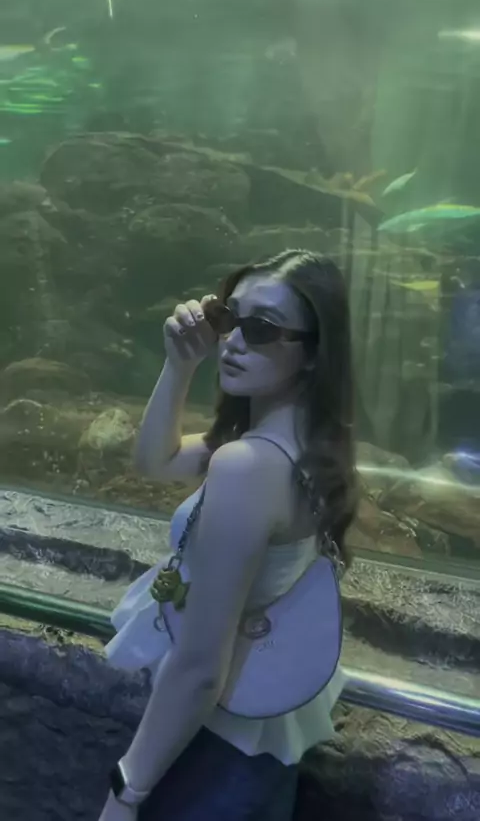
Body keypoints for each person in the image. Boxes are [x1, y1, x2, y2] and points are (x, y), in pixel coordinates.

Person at [98, 249, 357, 821]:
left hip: (209, 750)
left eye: (261, 329)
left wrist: (126, 792)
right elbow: (156, 461)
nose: (233, 342)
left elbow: (199, 669)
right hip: (257, 744)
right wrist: (180, 364)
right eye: (227, 318)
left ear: (314, 353)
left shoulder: (248, 467)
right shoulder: (304, 446)